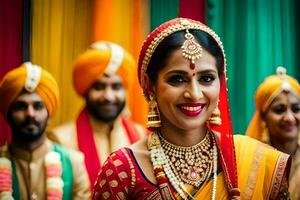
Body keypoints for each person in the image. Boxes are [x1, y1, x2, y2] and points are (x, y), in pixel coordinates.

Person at [92, 18, 291, 200]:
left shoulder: (258, 163)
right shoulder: (122, 170)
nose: (194, 94)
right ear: (150, 85)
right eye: (177, 79)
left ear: (221, 83)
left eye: (206, 79)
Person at [48, 41, 147, 187]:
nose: (108, 96)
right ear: (86, 90)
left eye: (116, 87)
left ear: (125, 89)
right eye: (99, 87)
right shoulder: (60, 140)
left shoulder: (141, 136)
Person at [0, 62, 91, 199]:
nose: (30, 114)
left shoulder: (74, 163)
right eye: (20, 106)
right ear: (8, 114)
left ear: (49, 115)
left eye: (38, 106)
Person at [246, 66, 300, 200]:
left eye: (296, 109)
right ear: (263, 117)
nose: (289, 117)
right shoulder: (252, 161)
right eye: (279, 110)